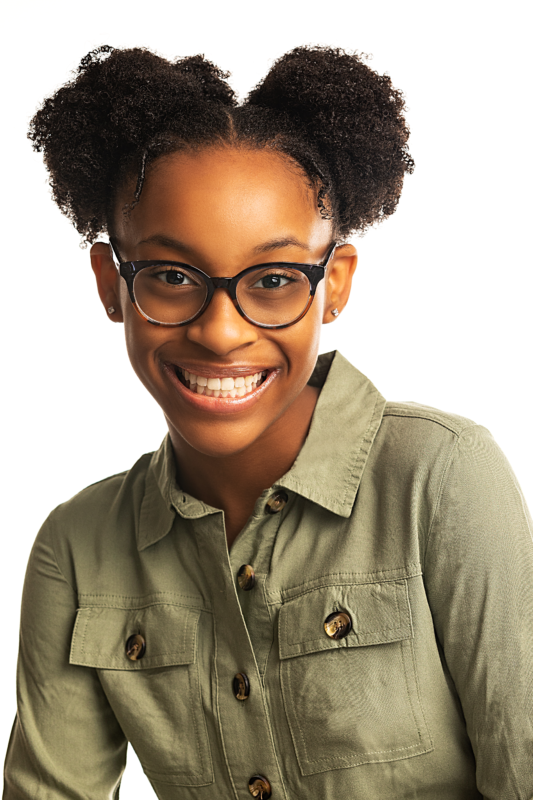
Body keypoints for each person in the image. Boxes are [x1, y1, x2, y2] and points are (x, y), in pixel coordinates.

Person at [3, 44, 532, 800]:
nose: (222, 332)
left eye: (275, 280)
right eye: (172, 277)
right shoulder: (78, 547)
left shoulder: (441, 479)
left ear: (334, 286)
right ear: (110, 283)